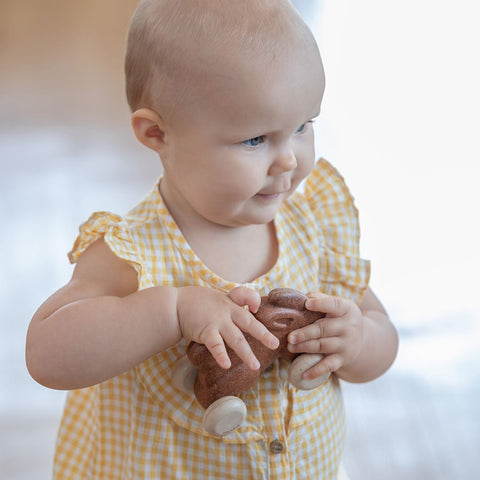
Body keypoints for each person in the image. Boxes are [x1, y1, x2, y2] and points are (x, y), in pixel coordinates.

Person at [26, 0, 398, 478]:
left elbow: (379, 332)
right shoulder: (133, 253)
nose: (288, 161)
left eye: (304, 126)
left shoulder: (313, 226)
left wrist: (358, 340)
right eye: (255, 139)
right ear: (157, 132)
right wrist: (170, 311)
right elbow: (47, 355)